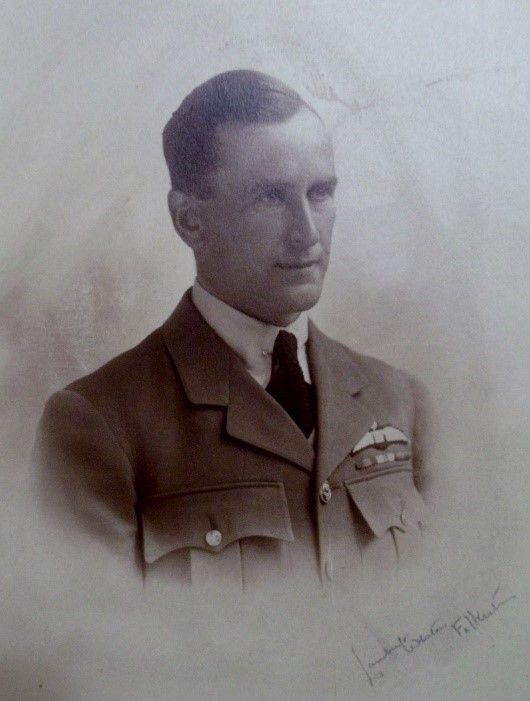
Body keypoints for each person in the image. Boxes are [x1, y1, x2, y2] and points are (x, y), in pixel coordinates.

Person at [33, 70, 432, 592]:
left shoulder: (400, 400)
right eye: (270, 197)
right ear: (188, 220)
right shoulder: (99, 424)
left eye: (320, 193)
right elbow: (93, 639)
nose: (307, 233)